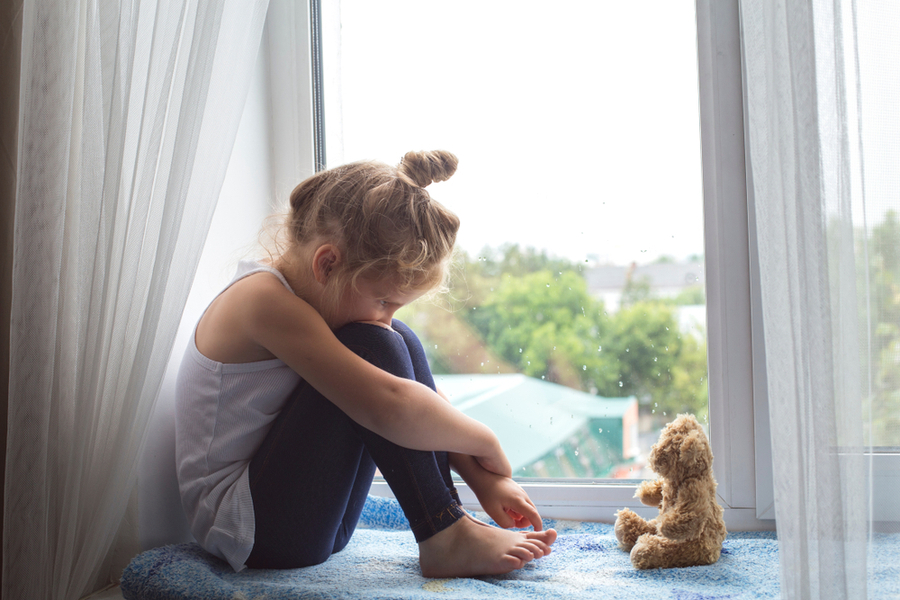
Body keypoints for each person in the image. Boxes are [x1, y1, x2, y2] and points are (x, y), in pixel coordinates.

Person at [175, 150, 557, 578]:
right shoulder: (260, 301)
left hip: (313, 524)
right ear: (327, 264)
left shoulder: (310, 300)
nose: (385, 314)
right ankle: (444, 534)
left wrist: (480, 476)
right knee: (373, 343)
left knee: (395, 340)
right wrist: (486, 442)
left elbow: (418, 401)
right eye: (382, 300)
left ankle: (447, 522)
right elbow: (390, 404)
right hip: (250, 530)